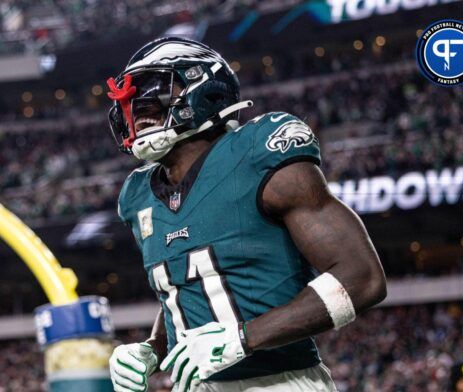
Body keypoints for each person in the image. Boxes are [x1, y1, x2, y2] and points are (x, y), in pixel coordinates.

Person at [106, 37, 386, 392]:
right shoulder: (138, 195)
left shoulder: (255, 153)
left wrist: (244, 338)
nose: (135, 109)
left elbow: (362, 278)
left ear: (202, 88)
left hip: (280, 383)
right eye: (130, 102)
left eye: (150, 90)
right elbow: (187, 291)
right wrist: (151, 350)